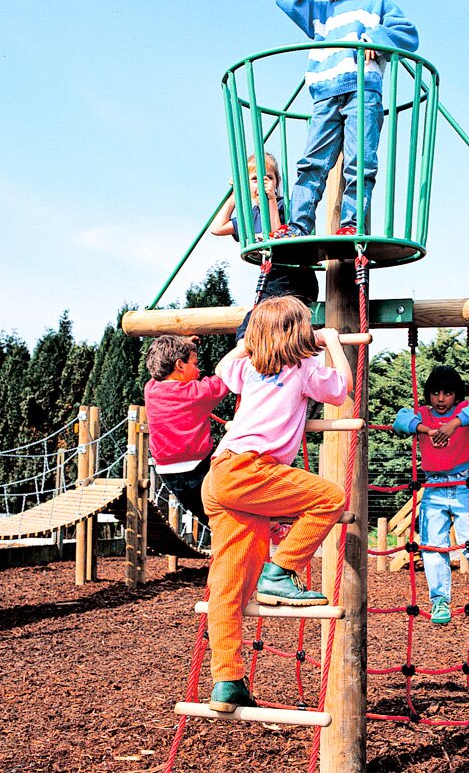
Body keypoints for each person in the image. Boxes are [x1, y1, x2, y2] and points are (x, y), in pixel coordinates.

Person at [202, 296, 352, 712]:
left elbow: (221, 367)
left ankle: (226, 681)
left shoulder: (248, 366)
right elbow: (342, 391)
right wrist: (333, 342)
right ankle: (281, 571)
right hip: (250, 471)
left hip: (221, 474)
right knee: (330, 497)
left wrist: (251, 343)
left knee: (228, 587)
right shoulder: (305, 366)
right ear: (299, 333)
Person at [275, 0, 418, 238]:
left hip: (362, 91)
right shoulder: (321, 11)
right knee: (311, 163)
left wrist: (376, 37)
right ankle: (298, 227)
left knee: (359, 161)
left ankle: (350, 224)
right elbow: (286, 0)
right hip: (325, 92)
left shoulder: (378, 4)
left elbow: (408, 35)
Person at [393, 365, 469, 623]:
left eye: (447, 393)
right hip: (433, 488)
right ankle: (439, 602)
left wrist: (455, 424)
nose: (440, 399)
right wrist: (426, 430)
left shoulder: (464, 410)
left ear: (456, 396)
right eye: (435, 393)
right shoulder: (422, 414)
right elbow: (400, 420)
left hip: (462, 486)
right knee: (433, 546)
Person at [211, 151, 318, 341]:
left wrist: (270, 201)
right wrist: (237, 194)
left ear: (277, 182)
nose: (262, 182)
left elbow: (278, 237)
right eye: (254, 179)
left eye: (269, 177)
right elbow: (217, 228)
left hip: (294, 279)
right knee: (248, 331)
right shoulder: (252, 216)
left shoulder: (287, 207)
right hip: (273, 281)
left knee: (264, 329)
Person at [143, 335, 228, 529]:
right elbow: (227, 374)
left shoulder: (151, 390)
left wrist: (180, 345)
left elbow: (159, 369)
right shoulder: (198, 393)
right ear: (180, 365)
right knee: (229, 514)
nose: (198, 371)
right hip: (198, 468)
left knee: (213, 521)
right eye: (195, 364)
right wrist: (247, 347)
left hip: (166, 471)